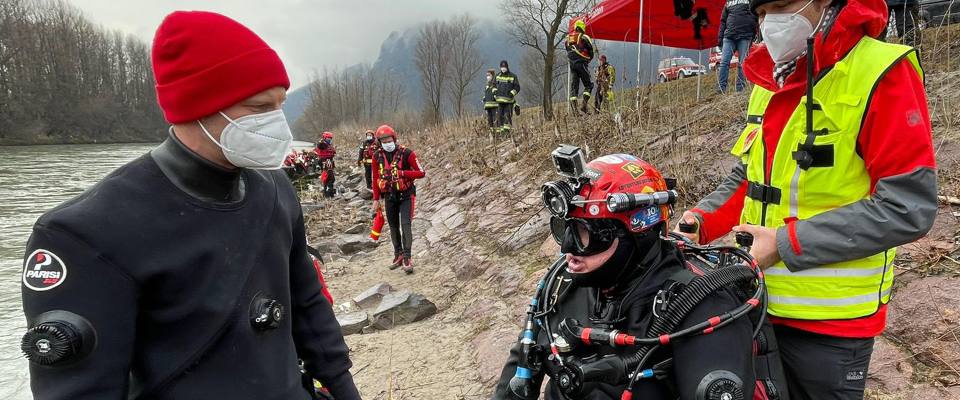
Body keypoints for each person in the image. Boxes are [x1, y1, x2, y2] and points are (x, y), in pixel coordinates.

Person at [18, 10, 360, 400]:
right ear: (199, 106)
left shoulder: (275, 188)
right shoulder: (86, 232)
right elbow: (79, 391)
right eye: (259, 107)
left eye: (280, 105)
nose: (277, 123)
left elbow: (308, 305)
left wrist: (345, 390)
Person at [676, 0, 936, 398]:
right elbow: (750, 177)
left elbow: (906, 208)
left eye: (783, 6)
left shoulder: (881, 70)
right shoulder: (768, 80)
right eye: (762, 14)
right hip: (757, 304)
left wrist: (784, 245)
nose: (770, 24)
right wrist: (700, 219)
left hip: (833, 325)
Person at [494, 149, 785, 400]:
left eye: (586, 234)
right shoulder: (561, 287)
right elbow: (516, 380)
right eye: (565, 230)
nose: (569, 250)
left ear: (638, 233)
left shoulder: (702, 307)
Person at [371, 125, 425, 274]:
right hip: (389, 196)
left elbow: (421, 173)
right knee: (393, 226)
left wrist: (402, 173)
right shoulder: (376, 156)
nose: (387, 142)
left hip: (406, 195)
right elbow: (375, 178)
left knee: (405, 225)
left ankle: (407, 257)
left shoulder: (407, 153)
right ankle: (398, 254)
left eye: (389, 139)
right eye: (383, 140)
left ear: (394, 139)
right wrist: (376, 199)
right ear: (379, 142)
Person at [717, 0, 758, 93]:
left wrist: (753, 33)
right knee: (724, 63)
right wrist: (720, 40)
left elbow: (756, 16)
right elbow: (723, 21)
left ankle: (740, 89)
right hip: (729, 37)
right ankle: (721, 88)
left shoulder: (750, 1)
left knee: (742, 63)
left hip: (745, 36)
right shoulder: (728, 3)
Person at [566, 19, 594, 114]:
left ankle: (575, 112)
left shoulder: (568, 38)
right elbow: (591, 50)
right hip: (582, 63)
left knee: (574, 88)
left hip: (572, 65)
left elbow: (567, 49)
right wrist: (589, 59)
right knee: (589, 85)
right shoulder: (584, 37)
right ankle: (584, 106)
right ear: (582, 27)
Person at [494, 61, 520, 135]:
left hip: (509, 101)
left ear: (507, 67)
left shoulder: (513, 76)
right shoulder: (497, 76)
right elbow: (493, 86)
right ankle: (501, 134)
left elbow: (517, 87)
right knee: (499, 117)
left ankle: (507, 133)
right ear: (500, 67)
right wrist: (495, 92)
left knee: (507, 117)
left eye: (504, 67)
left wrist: (512, 93)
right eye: (502, 67)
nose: (503, 68)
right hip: (499, 101)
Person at [316, 131, 336, 197]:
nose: (329, 140)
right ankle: (328, 191)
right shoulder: (322, 144)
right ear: (325, 138)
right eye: (328, 138)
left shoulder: (329, 145)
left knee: (329, 177)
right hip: (325, 161)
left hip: (329, 161)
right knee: (329, 177)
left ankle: (328, 190)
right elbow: (319, 145)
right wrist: (321, 141)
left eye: (330, 139)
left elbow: (332, 153)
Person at [483, 69, 499, 136]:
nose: (487, 77)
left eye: (489, 75)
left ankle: (498, 134)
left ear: (492, 76)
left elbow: (496, 94)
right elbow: (486, 94)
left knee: (495, 120)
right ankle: (492, 133)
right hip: (488, 106)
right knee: (490, 121)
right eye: (487, 75)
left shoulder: (495, 84)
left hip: (494, 106)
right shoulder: (487, 85)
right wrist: (484, 99)